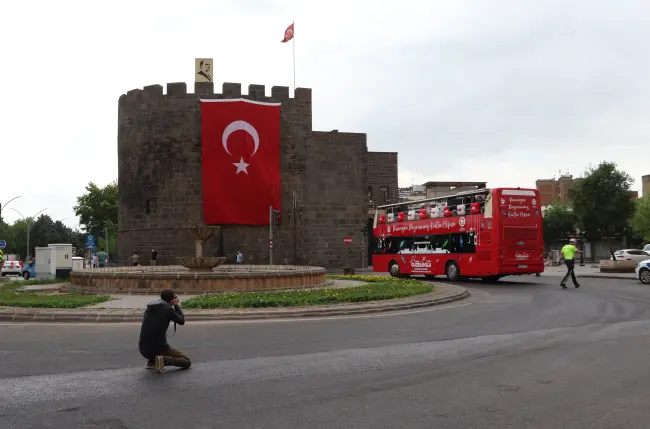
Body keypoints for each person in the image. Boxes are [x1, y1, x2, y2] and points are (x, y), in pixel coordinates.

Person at [138, 289, 191, 373]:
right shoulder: (167, 309)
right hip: (159, 348)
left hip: (143, 349)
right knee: (186, 361)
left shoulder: (150, 307)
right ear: (172, 299)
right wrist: (176, 305)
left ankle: (152, 361)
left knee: (153, 339)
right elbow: (181, 321)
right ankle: (161, 360)